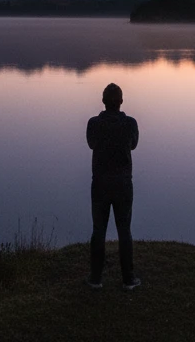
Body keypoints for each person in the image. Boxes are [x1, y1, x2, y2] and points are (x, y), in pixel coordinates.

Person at [86, 82, 140, 289]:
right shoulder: (130, 123)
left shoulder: (93, 123)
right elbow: (133, 145)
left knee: (98, 230)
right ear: (121, 102)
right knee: (124, 230)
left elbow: (91, 143)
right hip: (123, 184)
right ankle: (128, 279)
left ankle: (95, 278)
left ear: (103, 102)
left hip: (100, 184)